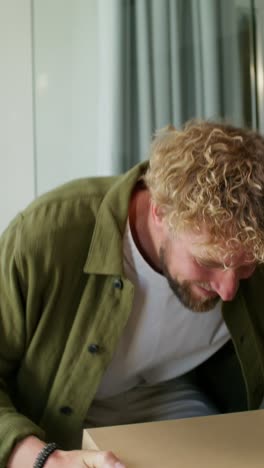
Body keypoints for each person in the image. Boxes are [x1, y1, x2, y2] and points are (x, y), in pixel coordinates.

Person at [1, 119, 264, 468]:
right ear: (159, 211)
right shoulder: (44, 238)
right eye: (207, 261)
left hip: (185, 416)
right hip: (56, 429)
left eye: (246, 267)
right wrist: (46, 460)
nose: (229, 289)